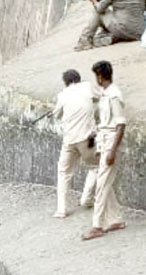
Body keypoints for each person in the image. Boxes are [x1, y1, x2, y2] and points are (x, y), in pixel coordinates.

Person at [82, 61, 126, 241]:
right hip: (105, 141)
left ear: (100, 76)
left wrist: (112, 151)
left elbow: (120, 124)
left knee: (101, 185)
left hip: (111, 143)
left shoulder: (114, 95)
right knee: (105, 183)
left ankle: (97, 225)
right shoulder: (106, 94)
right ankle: (115, 219)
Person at [52, 69, 99, 218]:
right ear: (78, 79)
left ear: (65, 82)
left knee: (64, 172)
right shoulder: (87, 87)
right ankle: (86, 198)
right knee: (95, 167)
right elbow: (98, 98)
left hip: (69, 140)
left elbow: (56, 115)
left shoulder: (62, 95)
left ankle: (61, 209)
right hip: (87, 139)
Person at [75, 0, 146, 51]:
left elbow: (99, 9)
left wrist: (94, 2)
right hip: (140, 32)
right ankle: (112, 37)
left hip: (122, 28)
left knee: (100, 13)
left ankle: (84, 40)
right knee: (118, 18)